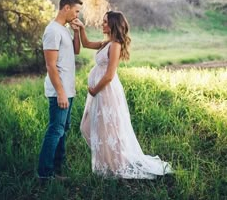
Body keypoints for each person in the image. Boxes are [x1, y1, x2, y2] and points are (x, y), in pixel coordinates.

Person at [72, 11, 173, 179]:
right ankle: (107, 162)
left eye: (105, 22)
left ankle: (114, 164)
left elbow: (110, 74)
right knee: (91, 125)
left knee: (109, 127)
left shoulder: (115, 45)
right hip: (99, 91)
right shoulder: (106, 43)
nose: (102, 24)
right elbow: (87, 43)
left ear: (113, 24)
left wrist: (95, 90)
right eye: (103, 21)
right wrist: (81, 28)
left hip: (105, 91)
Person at [37, 0, 82, 181]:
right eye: (76, 10)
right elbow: (50, 65)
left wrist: (78, 31)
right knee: (55, 130)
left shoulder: (64, 29)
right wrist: (61, 92)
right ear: (66, 8)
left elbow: (77, 50)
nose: (77, 15)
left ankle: (57, 168)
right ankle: (45, 174)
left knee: (63, 129)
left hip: (67, 90)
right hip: (59, 91)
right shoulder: (53, 31)